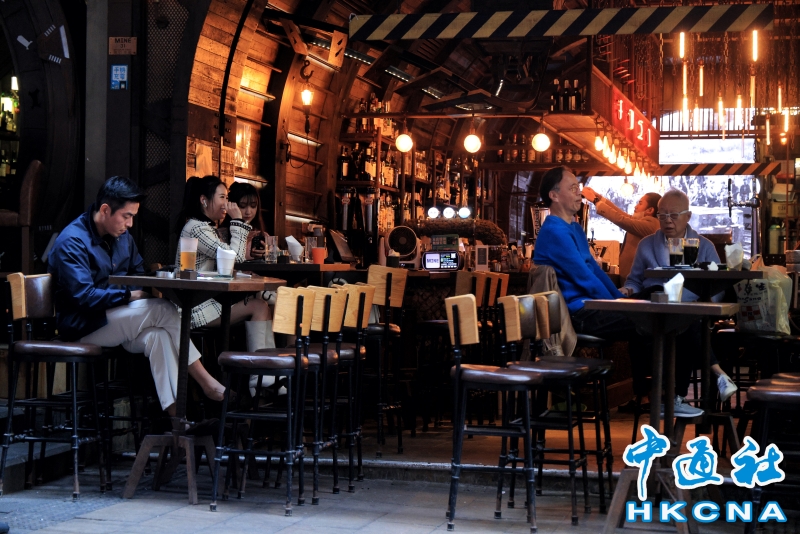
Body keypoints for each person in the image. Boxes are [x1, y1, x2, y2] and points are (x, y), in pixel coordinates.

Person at [533, 167, 703, 417]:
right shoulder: (555, 231)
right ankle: (663, 396)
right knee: (659, 317)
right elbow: (584, 278)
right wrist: (619, 303)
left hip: (594, 307)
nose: (579, 193)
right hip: (579, 314)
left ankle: (656, 395)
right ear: (554, 195)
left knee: (663, 304)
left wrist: (619, 297)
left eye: (578, 188)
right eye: (573, 188)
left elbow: (595, 270)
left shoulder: (574, 228)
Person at [48, 176, 226, 415]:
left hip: (118, 319)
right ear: (105, 210)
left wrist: (137, 291)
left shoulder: (122, 238)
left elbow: (138, 273)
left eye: (133, 216)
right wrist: (127, 295)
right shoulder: (72, 241)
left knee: (159, 337)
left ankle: (178, 420)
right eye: (126, 216)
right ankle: (207, 382)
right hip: (84, 325)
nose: (130, 224)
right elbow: (84, 297)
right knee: (165, 309)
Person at [623, 189, 738, 403]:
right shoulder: (646, 244)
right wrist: (627, 290)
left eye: (674, 215)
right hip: (653, 313)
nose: (668, 220)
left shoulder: (704, 246)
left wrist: (704, 304)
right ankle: (713, 376)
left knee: (686, 322)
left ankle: (673, 397)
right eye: (662, 215)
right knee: (682, 321)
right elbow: (634, 280)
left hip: (688, 313)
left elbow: (718, 287)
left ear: (688, 216)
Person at [176, 176, 277, 395]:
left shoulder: (205, 227)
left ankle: (267, 377)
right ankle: (261, 380)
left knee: (264, 304)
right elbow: (234, 257)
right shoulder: (197, 229)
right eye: (222, 197)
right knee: (260, 306)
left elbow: (224, 266)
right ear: (204, 200)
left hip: (206, 301)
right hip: (196, 307)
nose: (227, 204)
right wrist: (238, 221)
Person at [581, 186, 661, 280]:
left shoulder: (652, 224)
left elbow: (621, 219)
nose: (635, 206)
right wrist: (598, 197)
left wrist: (595, 201)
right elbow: (622, 215)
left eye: (640, 203)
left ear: (650, 210)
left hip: (639, 282)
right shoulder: (643, 221)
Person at [224, 182, 267, 261]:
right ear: (232, 206)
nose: (248, 212)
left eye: (253, 206)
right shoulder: (220, 235)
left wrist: (270, 254)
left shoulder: (263, 235)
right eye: (243, 206)